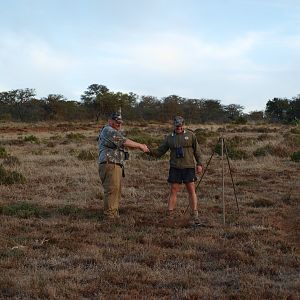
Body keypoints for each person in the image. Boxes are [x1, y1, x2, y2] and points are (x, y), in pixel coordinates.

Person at [149, 116, 203, 226]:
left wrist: (199, 164)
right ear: (174, 125)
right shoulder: (170, 138)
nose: (178, 127)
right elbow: (160, 151)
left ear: (183, 125)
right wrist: (148, 150)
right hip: (175, 167)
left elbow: (197, 151)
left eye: (180, 126)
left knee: (191, 190)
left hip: (188, 167)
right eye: (177, 126)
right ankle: (169, 214)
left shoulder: (191, 135)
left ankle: (194, 214)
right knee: (173, 190)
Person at [98, 112, 149, 220]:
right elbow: (124, 141)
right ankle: (109, 216)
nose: (119, 124)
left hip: (114, 164)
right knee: (112, 189)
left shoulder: (113, 131)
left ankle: (113, 213)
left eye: (120, 122)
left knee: (116, 190)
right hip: (110, 164)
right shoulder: (108, 130)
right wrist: (140, 146)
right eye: (116, 122)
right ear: (110, 121)